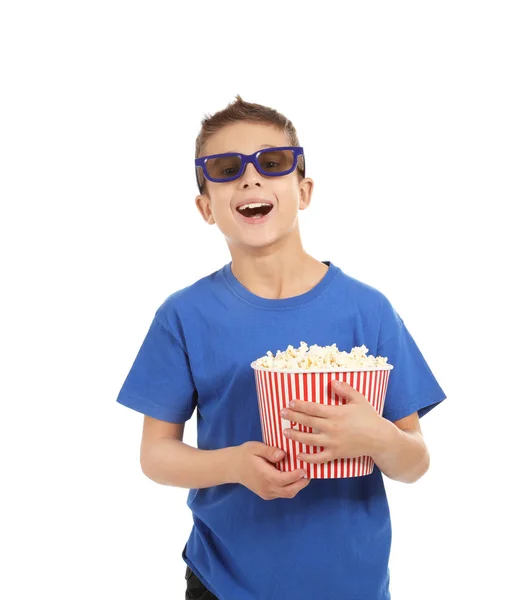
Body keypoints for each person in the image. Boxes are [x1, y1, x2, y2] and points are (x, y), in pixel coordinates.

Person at [116, 95, 447, 600]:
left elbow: (415, 462)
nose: (251, 179)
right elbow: (155, 454)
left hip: (352, 585)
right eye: (226, 169)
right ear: (206, 208)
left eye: (272, 164)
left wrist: (377, 438)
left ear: (304, 190)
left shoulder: (368, 311)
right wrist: (234, 466)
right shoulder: (184, 315)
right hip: (224, 582)